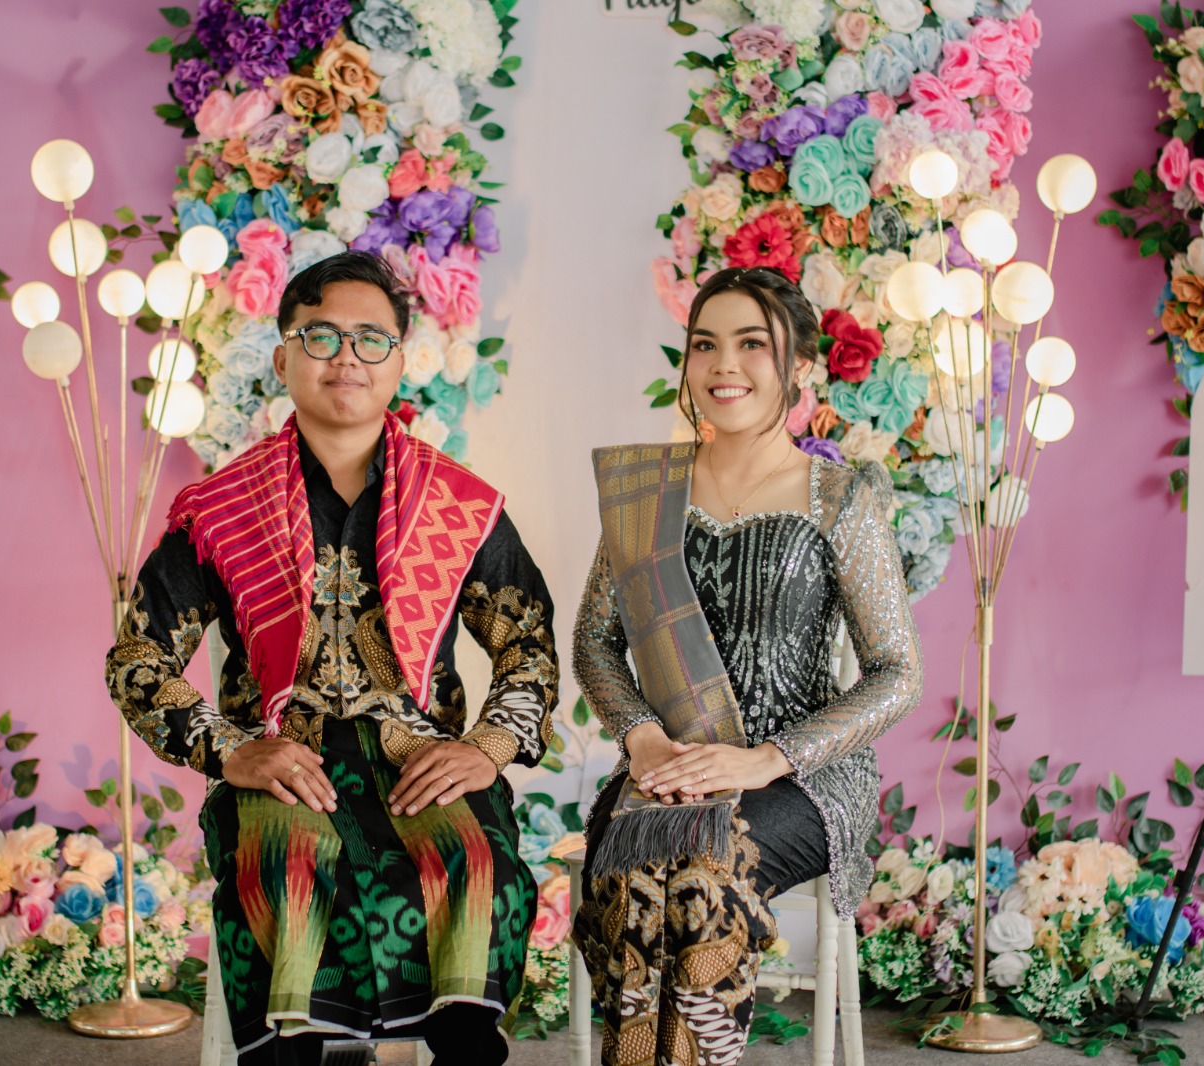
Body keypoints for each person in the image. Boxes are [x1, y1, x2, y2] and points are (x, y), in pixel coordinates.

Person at [106, 251, 558, 1066]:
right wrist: (232, 750)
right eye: (321, 336)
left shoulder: (459, 504)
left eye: (370, 339)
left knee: (471, 859)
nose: (346, 356)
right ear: (283, 358)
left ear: (400, 362)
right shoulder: (220, 509)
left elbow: (528, 644)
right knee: (286, 863)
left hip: (420, 760)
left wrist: (484, 749)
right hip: (284, 760)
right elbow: (139, 657)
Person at [571, 266, 923, 1066]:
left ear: (799, 365)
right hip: (669, 761)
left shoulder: (839, 497)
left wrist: (766, 758)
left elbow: (896, 671)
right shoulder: (647, 493)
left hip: (801, 775)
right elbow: (595, 640)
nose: (723, 365)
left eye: (751, 344)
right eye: (705, 345)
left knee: (703, 872)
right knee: (634, 875)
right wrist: (643, 740)